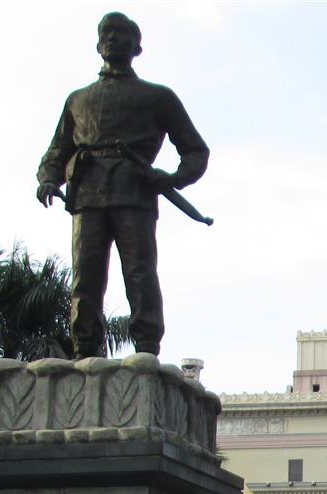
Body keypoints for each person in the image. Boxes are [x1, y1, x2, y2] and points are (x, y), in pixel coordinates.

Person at [36, 12, 209, 358]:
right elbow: (57, 149)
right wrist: (48, 178)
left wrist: (172, 178)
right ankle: (85, 349)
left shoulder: (157, 97)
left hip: (134, 191)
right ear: (98, 45)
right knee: (85, 278)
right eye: (107, 33)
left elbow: (195, 150)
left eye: (121, 33)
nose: (113, 38)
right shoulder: (78, 100)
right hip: (86, 193)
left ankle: (147, 345)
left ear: (137, 47)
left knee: (140, 272)